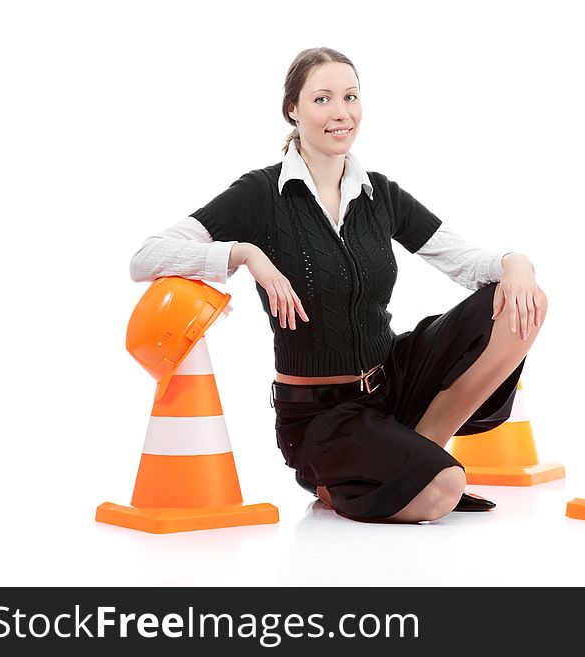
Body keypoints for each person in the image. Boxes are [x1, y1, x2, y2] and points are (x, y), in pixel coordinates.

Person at [130, 47, 547, 524]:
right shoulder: (261, 195)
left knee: (522, 301)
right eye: (323, 99)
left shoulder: (379, 193)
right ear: (293, 109)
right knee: (443, 491)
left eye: (350, 97)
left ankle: (420, 449)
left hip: (392, 385)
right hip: (322, 418)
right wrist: (243, 254)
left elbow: (466, 261)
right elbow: (146, 256)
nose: (341, 113)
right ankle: (363, 479)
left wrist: (517, 262)